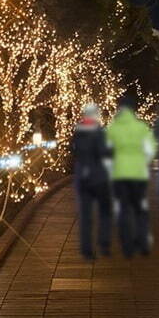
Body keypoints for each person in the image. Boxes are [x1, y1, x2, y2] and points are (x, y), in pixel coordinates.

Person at [106, 93, 157, 257]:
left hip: (119, 174)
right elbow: (151, 150)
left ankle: (127, 245)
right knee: (140, 208)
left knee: (123, 209)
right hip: (138, 173)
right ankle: (143, 242)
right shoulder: (141, 127)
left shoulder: (113, 128)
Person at [71, 103, 113, 260]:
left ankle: (86, 248)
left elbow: (73, 152)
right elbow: (106, 152)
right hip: (100, 177)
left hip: (83, 177)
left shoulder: (77, 133)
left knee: (85, 214)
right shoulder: (101, 133)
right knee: (104, 212)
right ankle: (104, 244)